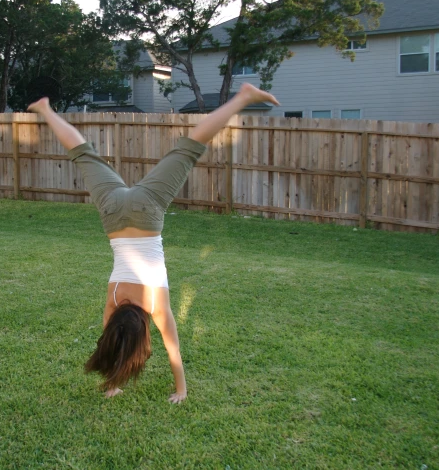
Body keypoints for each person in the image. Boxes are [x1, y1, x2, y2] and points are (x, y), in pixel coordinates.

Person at [27, 83, 280, 403]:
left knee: (189, 148)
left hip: (146, 212)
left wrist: (181, 390)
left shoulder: (156, 306)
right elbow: (113, 342)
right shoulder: (114, 303)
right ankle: (46, 108)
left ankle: (244, 96)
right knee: (84, 155)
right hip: (114, 211)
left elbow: (172, 348)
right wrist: (112, 382)